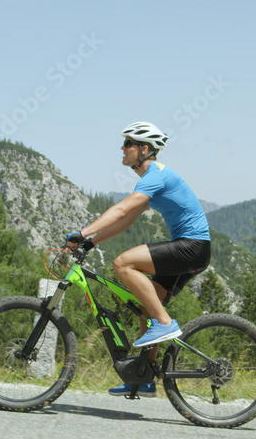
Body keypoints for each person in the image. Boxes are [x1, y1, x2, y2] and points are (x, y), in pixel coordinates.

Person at [66, 121, 211, 397]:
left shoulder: (155, 175)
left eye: (128, 144)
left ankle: (165, 324)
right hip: (191, 248)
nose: (122, 148)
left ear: (144, 149)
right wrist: (90, 242)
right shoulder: (149, 180)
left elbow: (120, 209)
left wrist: (82, 232)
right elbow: (126, 220)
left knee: (123, 263)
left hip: (191, 246)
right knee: (146, 307)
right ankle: (144, 377)